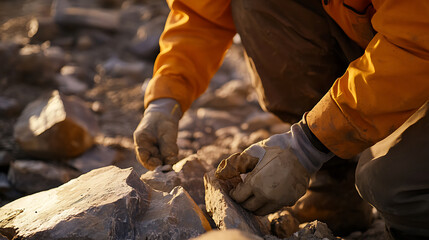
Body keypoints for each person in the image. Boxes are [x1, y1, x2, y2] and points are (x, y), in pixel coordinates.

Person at [133, 0, 429, 238]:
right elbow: (202, 11)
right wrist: (166, 98)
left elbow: (416, 43)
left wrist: (307, 145)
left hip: (416, 47)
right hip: (392, 40)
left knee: (391, 186)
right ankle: (334, 186)